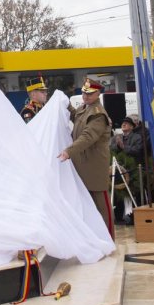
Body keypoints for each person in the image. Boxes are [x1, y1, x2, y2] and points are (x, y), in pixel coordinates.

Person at [59, 78, 113, 238]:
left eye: (90, 94)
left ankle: (108, 238)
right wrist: (64, 103)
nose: (85, 96)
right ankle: (93, 238)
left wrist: (69, 151)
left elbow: (88, 136)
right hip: (82, 163)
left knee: (101, 204)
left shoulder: (98, 115)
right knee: (87, 203)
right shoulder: (85, 108)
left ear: (98, 94)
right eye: (84, 92)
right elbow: (76, 117)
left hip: (94, 165)